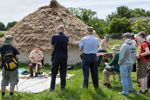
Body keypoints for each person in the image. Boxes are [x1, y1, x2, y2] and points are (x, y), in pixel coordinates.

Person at [49, 25, 69, 91]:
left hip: (56, 56)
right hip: (64, 56)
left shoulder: (54, 36)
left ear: (58, 29)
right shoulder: (66, 37)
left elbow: (51, 45)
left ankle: (52, 88)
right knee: (63, 72)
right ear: (64, 30)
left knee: (54, 72)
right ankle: (63, 88)